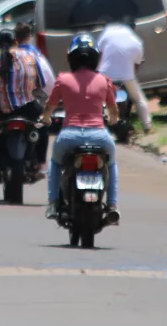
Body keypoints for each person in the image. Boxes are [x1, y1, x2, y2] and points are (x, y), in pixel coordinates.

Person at [42, 33, 121, 225]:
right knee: (111, 164)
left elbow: (49, 106)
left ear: (71, 57)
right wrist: (113, 120)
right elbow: (113, 111)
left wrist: (46, 118)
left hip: (69, 136)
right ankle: (112, 206)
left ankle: (53, 203)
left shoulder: (63, 79)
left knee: (55, 163)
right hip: (100, 136)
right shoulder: (104, 80)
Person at [0, 28, 53, 181]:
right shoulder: (32, 59)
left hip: (0, 111)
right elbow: (43, 84)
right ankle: (41, 162)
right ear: (16, 41)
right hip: (28, 109)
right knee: (43, 122)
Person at [97, 15, 152, 133]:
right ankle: (147, 127)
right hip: (127, 76)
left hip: (105, 75)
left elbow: (99, 53)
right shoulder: (137, 42)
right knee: (139, 99)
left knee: (100, 101)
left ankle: (99, 127)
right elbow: (136, 67)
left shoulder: (108, 32)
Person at [13, 23, 56, 170]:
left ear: (15, 38)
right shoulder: (37, 57)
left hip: (9, 104)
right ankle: (41, 162)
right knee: (43, 124)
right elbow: (49, 84)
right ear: (30, 37)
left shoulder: (7, 56)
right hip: (31, 103)